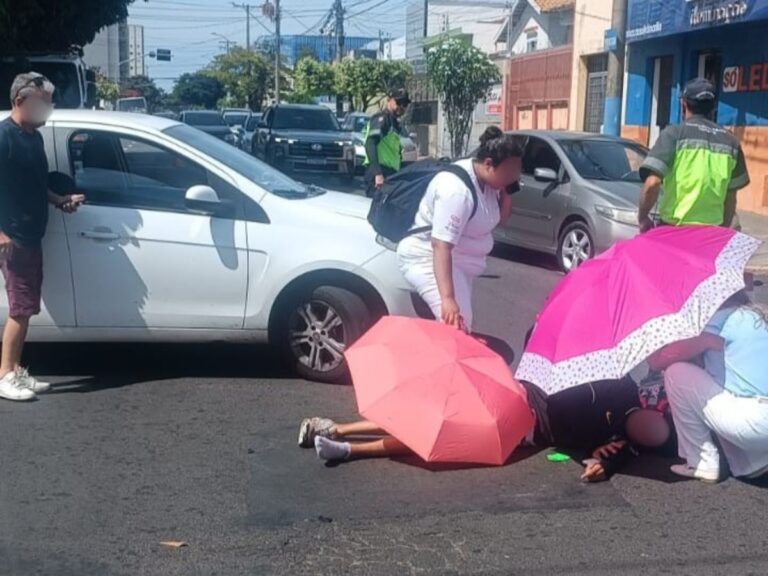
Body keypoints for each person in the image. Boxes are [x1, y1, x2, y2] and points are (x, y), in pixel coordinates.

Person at [297, 375, 674, 482]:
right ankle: (339, 429)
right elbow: (553, 396)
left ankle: (346, 449)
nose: (646, 429)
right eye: (651, 424)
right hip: (516, 394)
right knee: (425, 410)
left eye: (649, 435)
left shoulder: (620, 444)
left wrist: (601, 464)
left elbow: (607, 459)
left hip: (522, 431)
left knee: (437, 435)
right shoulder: (619, 383)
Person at [0, 73, 85, 401]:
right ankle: (6, 374)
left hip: (33, 234)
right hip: (14, 239)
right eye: (42, 102)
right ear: (20, 100)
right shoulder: (5, 138)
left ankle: (16, 370)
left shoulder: (33, 138)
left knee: (27, 307)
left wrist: (60, 201)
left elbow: (36, 185)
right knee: (20, 308)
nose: (47, 109)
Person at [396, 127, 522, 332]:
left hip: (460, 265)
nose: (514, 177)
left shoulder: (490, 183)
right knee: (457, 326)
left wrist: (507, 189)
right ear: (489, 164)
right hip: (428, 259)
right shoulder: (456, 192)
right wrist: (447, 298)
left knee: (459, 326)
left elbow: (501, 219)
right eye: (509, 173)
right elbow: (440, 246)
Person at [648, 291, 768, 483]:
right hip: (759, 416)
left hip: (753, 424)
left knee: (676, 372)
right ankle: (753, 461)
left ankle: (701, 462)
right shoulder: (755, 317)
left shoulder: (717, 321)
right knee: (720, 379)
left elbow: (659, 361)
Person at [637, 77, 750, 233]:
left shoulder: (673, 134)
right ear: (713, 107)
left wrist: (642, 217)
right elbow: (731, 196)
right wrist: (721, 230)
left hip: (673, 231)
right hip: (710, 233)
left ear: (683, 104)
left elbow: (652, 183)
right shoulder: (731, 142)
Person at [363, 88, 411, 198]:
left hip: (390, 173)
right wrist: (378, 174)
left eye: (405, 104)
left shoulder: (395, 123)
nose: (402, 107)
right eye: (399, 102)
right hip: (379, 173)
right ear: (388, 100)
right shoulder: (383, 119)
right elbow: (370, 143)